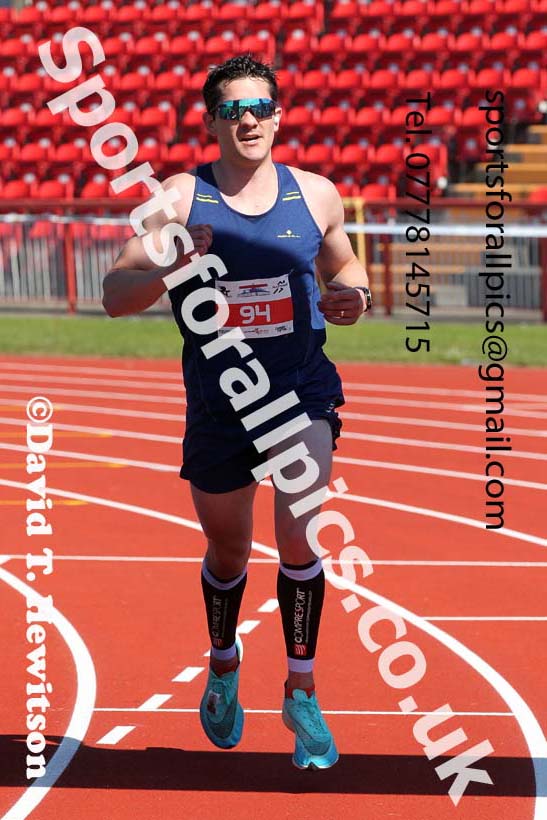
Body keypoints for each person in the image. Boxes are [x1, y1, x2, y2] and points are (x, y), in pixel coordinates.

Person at [102, 54, 371, 770]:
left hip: (300, 394)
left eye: (259, 108)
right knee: (227, 550)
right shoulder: (178, 199)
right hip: (221, 405)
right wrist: (169, 267)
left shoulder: (316, 195)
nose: (247, 120)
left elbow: (344, 268)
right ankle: (224, 665)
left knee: (298, 536)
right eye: (232, 110)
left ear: (279, 116)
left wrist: (354, 296)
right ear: (212, 120)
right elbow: (113, 292)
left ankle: (301, 688)